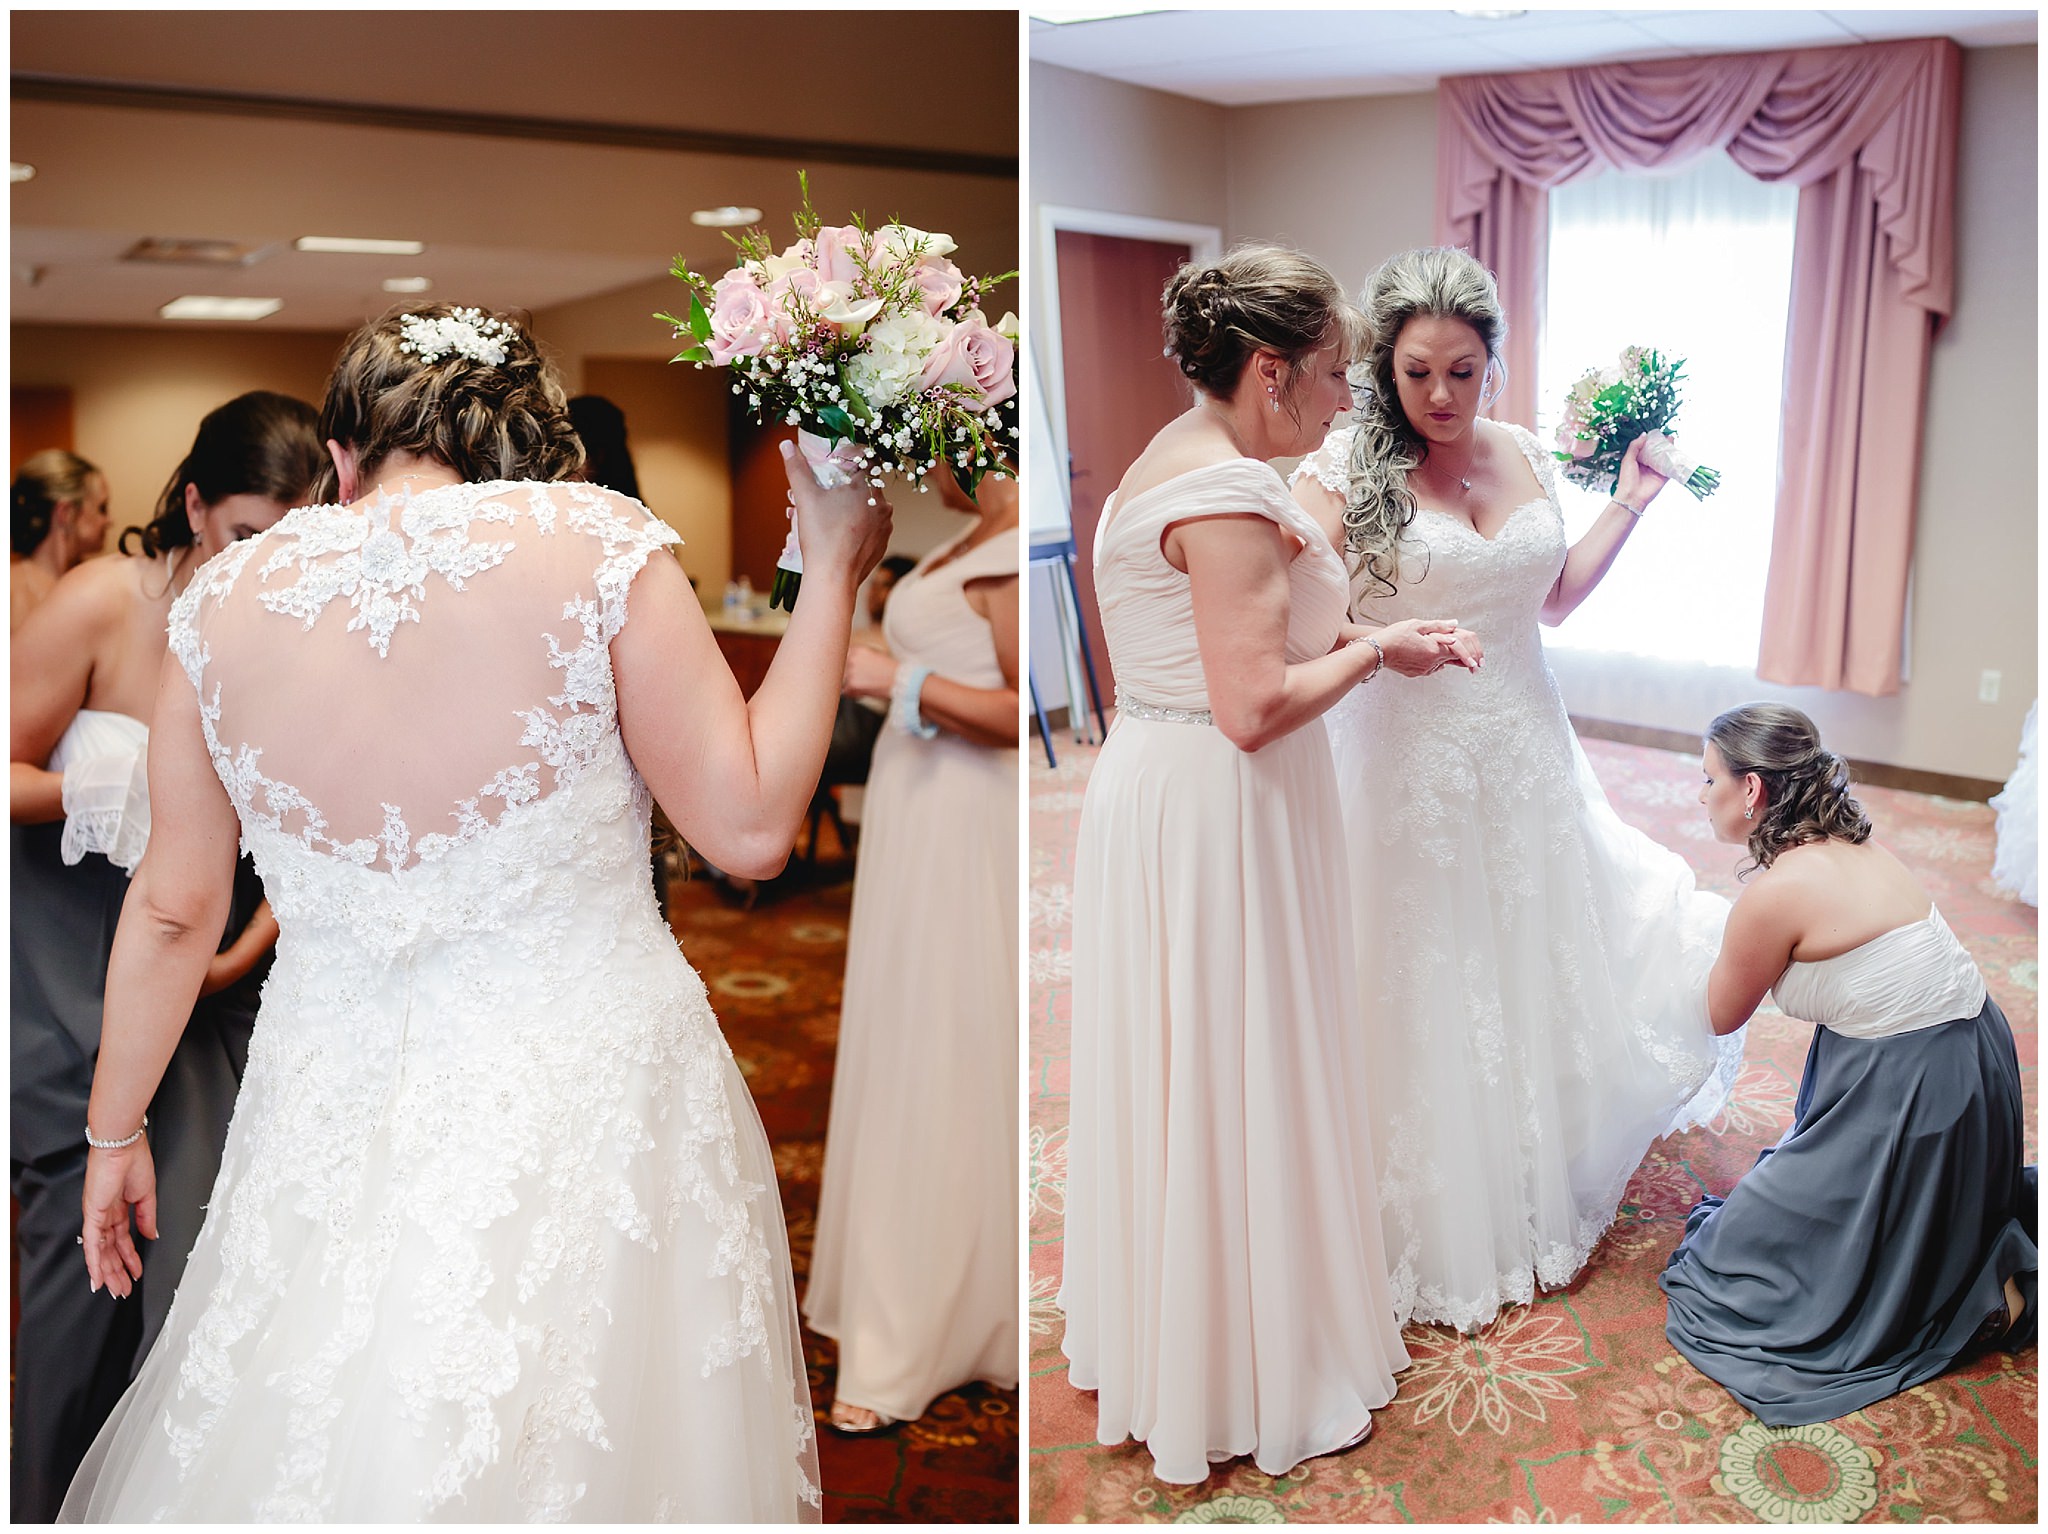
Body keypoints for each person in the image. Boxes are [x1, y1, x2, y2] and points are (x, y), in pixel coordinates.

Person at [60, 303, 890, 1521]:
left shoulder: (222, 602)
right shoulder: (598, 544)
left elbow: (177, 909)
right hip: (582, 1084)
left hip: (326, 1093)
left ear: (340, 459)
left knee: (323, 1402)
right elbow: (754, 827)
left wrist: (112, 1130)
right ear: (526, 443)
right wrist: (831, 570)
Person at [1060, 246, 1478, 1484]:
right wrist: (1372, 657)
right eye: (1337, 373)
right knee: (1237, 1050)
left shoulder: (1173, 452)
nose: (1348, 396)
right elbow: (1250, 702)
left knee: (1203, 1056)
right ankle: (1244, 1360)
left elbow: (1255, 631)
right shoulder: (1227, 493)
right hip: (1219, 797)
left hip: (1175, 781)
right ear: (1268, 368)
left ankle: (1196, 1324)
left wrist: (1361, 634)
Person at [1291, 245, 1740, 1334]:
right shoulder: (1340, 469)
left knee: (1538, 946)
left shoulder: (1525, 450)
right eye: (1415, 374)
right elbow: (1298, 626)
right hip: (1407, 760)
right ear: (1381, 371)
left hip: (1528, 744)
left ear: (1494, 363)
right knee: (1430, 970)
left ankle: (1536, 1156)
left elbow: (1552, 604)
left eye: (1462, 370)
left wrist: (1628, 502)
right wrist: (1377, 641)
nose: (1440, 397)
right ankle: (1442, 1200)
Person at [10, 392, 317, 1521]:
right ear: (192, 505)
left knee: (199, 1279)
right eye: (243, 537)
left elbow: (322, 820)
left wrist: (247, 947)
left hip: (218, 981)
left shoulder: (295, 628)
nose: (262, 569)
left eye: (289, 543)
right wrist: (93, 789)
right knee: (78, 1284)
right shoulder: (102, 603)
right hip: (69, 974)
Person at [1661, 702, 2036, 1425]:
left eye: (1707, 778)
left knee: (1734, 1271)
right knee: (1772, 1231)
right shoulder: (1853, 842)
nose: (1698, 794)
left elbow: (1716, 1013)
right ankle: (1964, 1261)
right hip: (1977, 1063)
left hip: (1919, 1097)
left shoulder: (1774, 893)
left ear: (1751, 791)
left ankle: (1987, 1297)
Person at [805, 468, 1021, 1433]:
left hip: (964, 819)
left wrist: (900, 680)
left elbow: (1022, 714)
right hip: (917, 805)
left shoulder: (1010, 551)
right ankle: (912, 1294)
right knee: (911, 1038)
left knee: (946, 1045)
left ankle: (933, 1323)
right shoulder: (961, 539)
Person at [12, 449, 110, 633]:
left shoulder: (88, 582)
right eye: (102, 508)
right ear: (65, 513)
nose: (109, 521)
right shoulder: (13, 593)